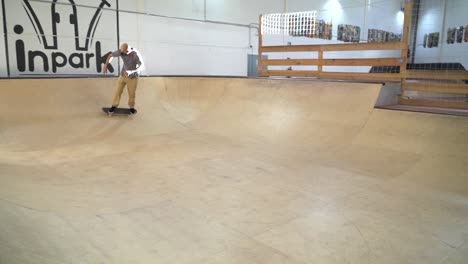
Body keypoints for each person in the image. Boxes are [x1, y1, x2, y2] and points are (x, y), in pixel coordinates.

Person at [103, 43, 145, 114]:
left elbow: (142, 67)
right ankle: (114, 106)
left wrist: (130, 72)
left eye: (123, 52)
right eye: (121, 51)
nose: (121, 53)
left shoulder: (135, 54)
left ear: (127, 50)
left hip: (132, 78)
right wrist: (106, 65)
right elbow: (110, 55)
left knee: (131, 93)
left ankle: (131, 107)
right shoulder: (121, 51)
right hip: (123, 75)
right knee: (118, 91)